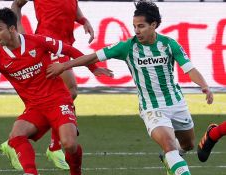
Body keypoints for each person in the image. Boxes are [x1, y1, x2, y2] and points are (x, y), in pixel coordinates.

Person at [46, 1, 214, 175]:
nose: (136, 30)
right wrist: (64, 66)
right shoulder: (127, 47)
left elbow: (189, 68)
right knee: (169, 145)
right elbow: (92, 57)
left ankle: (169, 159)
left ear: (153, 25)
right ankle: (174, 161)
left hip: (177, 104)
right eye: (134, 26)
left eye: (141, 26)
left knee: (187, 145)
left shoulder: (169, 44)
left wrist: (204, 86)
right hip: (152, 108)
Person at [0, 8, 112, 175]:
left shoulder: (37, 41)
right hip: (35, 108)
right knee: (16, 135)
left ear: (12, 28)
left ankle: (76, 172)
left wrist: (93, 68)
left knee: (69, 144)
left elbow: (68, 50)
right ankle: (31, 172)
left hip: (58, 100)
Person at [0, 0, 95, 170]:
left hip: (62, 43)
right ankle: (54, 146)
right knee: (69, 90)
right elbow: (16, 4)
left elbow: (73, 6)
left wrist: (83, 20)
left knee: (65, 92)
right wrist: (19, 33)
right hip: (48, 43)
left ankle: (26, 141)